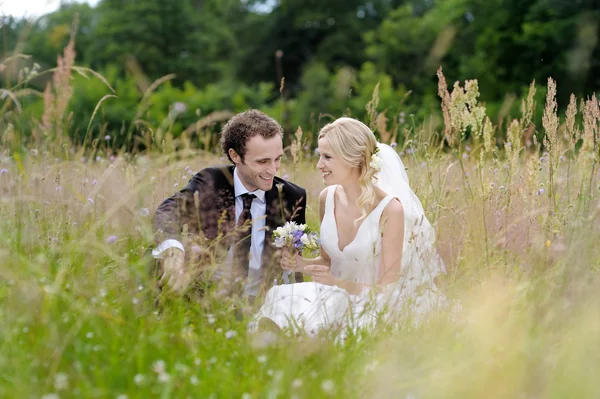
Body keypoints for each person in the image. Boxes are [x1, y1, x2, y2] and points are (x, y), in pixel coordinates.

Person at [253, 117, 447, 336]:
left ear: (353, 159)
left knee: (321, 318)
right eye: (319, 156)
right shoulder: (328, 197)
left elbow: (388, 291)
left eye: (327, 157)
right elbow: (328, 261)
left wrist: (336, 283)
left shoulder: (390, 210)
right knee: (280, 297)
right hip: (334, 293)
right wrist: (300, 264)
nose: (319, 165)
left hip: (373, 302)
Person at [153, 110, 307, 301]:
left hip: (264, 303)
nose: (272, 169)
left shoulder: (292, 196)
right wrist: (173, 250)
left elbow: (294, 266)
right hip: (208, 300)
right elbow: (168, 211)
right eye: (262, 161)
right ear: (235, 156)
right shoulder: (212, 181)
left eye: (278, 159)